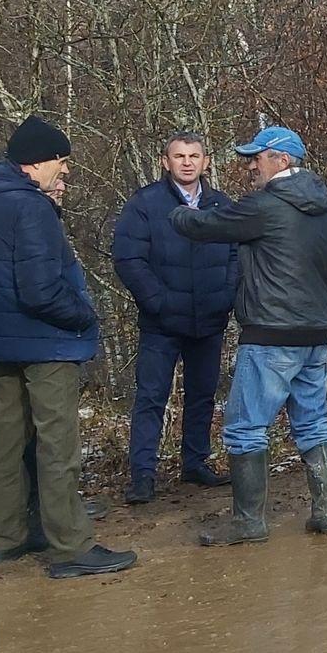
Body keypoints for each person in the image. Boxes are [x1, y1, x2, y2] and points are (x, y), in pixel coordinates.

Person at [0, 115, 137, 578]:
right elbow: (39, 289)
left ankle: (8, 537)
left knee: (6, 439)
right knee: (57, 444)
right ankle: (70, 547)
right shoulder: (30, 206)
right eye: (62, 161)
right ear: (38, 162)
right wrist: (82, 315)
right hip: (46, 342)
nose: (66, 170)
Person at [171, 125, 327, 544]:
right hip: (315, 332)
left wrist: (176, 208)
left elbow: (203, 226)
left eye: (257, 156)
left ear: (283, 160)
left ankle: (248, 523)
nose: (251, 164)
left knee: (244, 428)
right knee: (313, 424)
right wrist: (311, 293)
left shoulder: (264, 207)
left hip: (270, 334)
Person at [112, 132, 239, 504]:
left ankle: (195, 462)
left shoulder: (221, 205)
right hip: (162, 322)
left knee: (202, 395)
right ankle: (142, 476)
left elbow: (236, 255)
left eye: (194, 155)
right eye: (179, 156)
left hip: (210, 318)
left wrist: (226, 296)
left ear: (206, 161)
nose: (187, 162)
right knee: (152, 397)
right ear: (165, 162)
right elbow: (128, 259)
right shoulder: (145, 204)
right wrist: (158, 301)